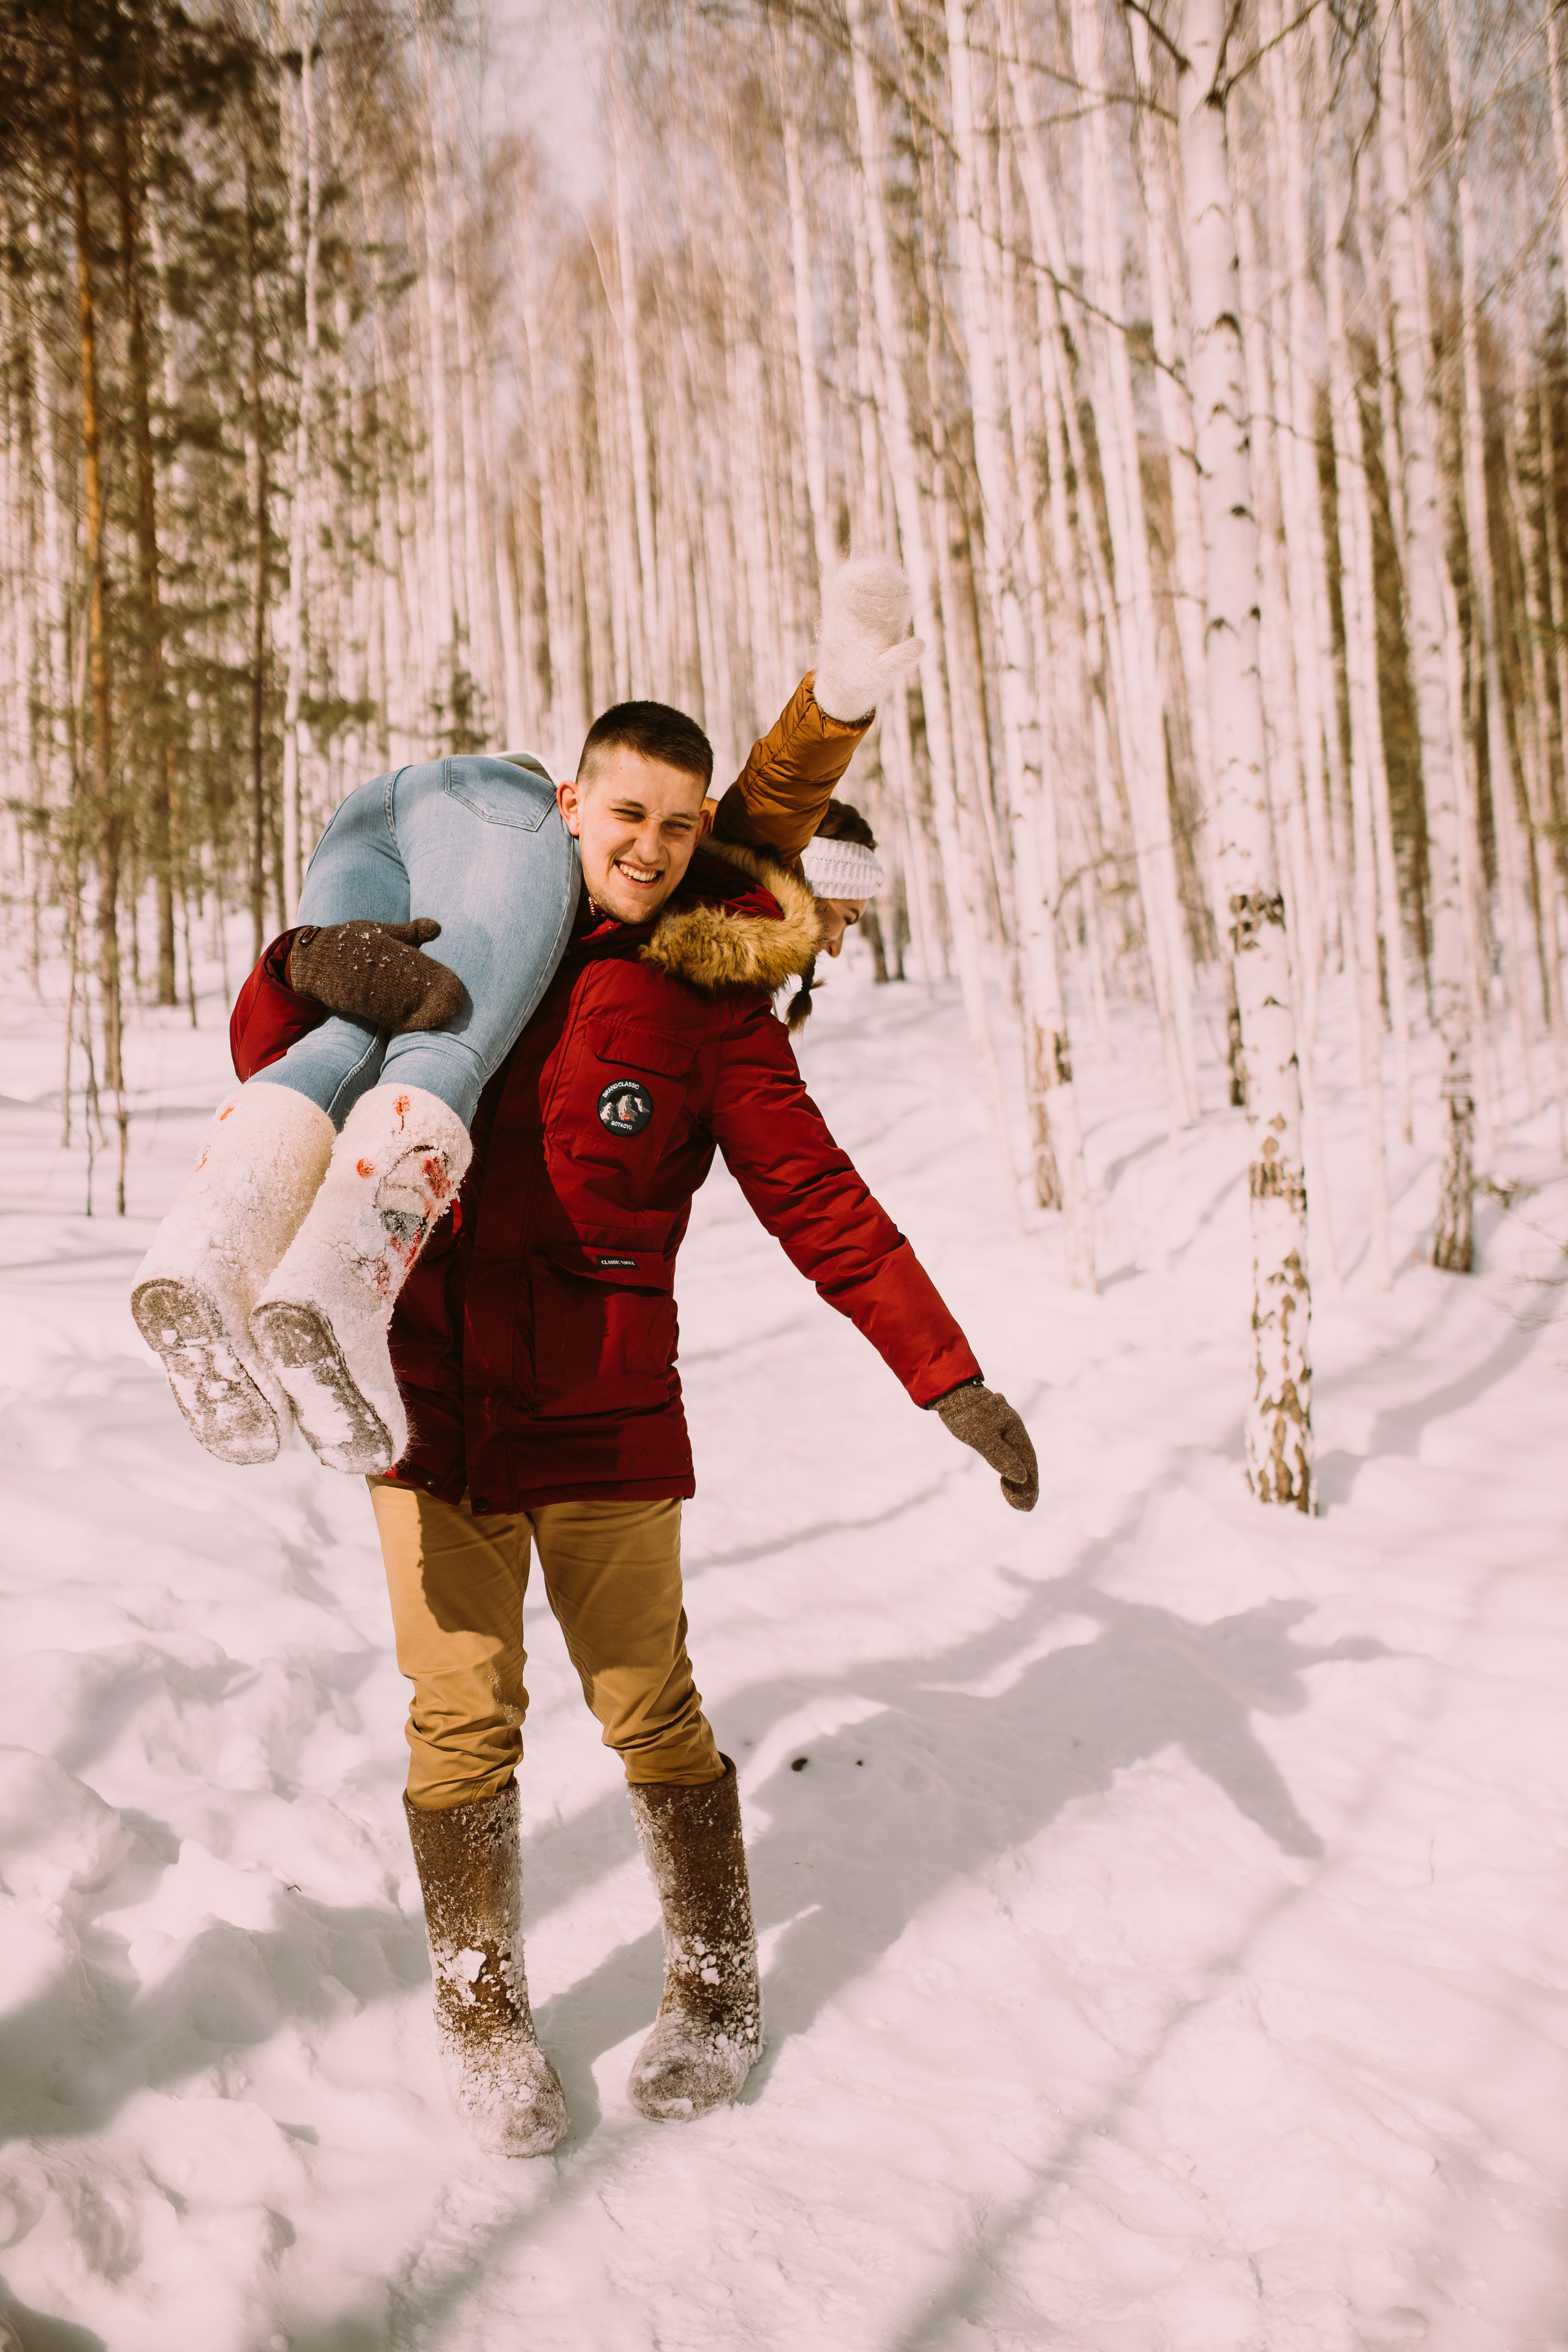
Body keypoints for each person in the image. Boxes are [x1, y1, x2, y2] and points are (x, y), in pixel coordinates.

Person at [225, 690, 1039, 2158]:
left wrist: (948, 1377)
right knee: (458, 1714)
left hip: (607, 1413)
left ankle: (718, 1988)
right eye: (625, 816)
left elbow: (823, 1202)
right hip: (427, 1404)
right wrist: (297, 971)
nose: (650, 847)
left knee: (647, 1707)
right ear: (569, 808)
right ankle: (480, 2013)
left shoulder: (708, 1006)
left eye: (678, 823)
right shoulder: (472, 939)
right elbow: (289, 1062)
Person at [130, 560, 923, 1480]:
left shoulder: (700, 960)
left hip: (580, 1422)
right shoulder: (641, 876)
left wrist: (298, 968)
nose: (833, 943)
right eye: (839, 914)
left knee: (356, 1038)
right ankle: (326, 1287)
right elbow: (770, 806)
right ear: (575, 807)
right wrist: (835, 705)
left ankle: (212, 1254)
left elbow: (817, 1195)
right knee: (441, 1044)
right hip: (450, 1401)